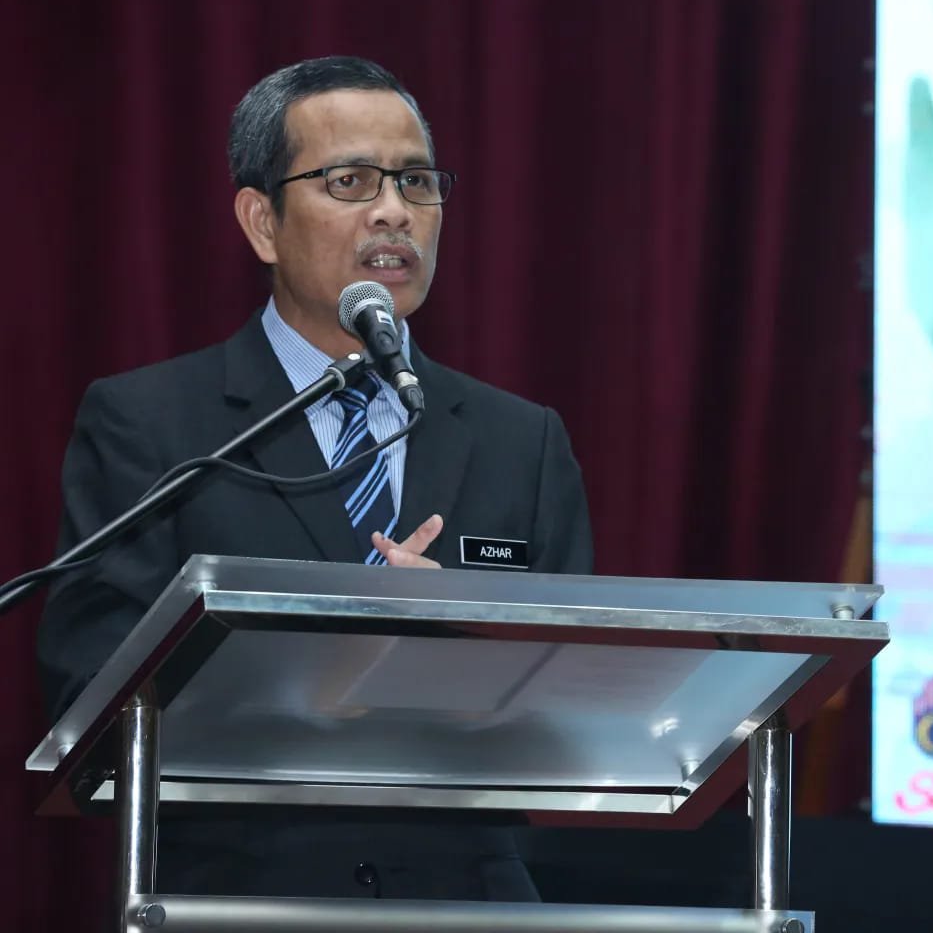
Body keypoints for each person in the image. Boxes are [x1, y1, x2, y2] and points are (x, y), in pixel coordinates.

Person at [36, 56, 593, 901]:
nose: (394, 211)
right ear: (262, 221)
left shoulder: (524, 440)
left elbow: (579, 711)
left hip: (466, 901)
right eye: (350, 181)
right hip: (239, 897)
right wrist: (325, 669)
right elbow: (91, 701)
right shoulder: (152, 425)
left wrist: (458, 642)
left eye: (416, 181)